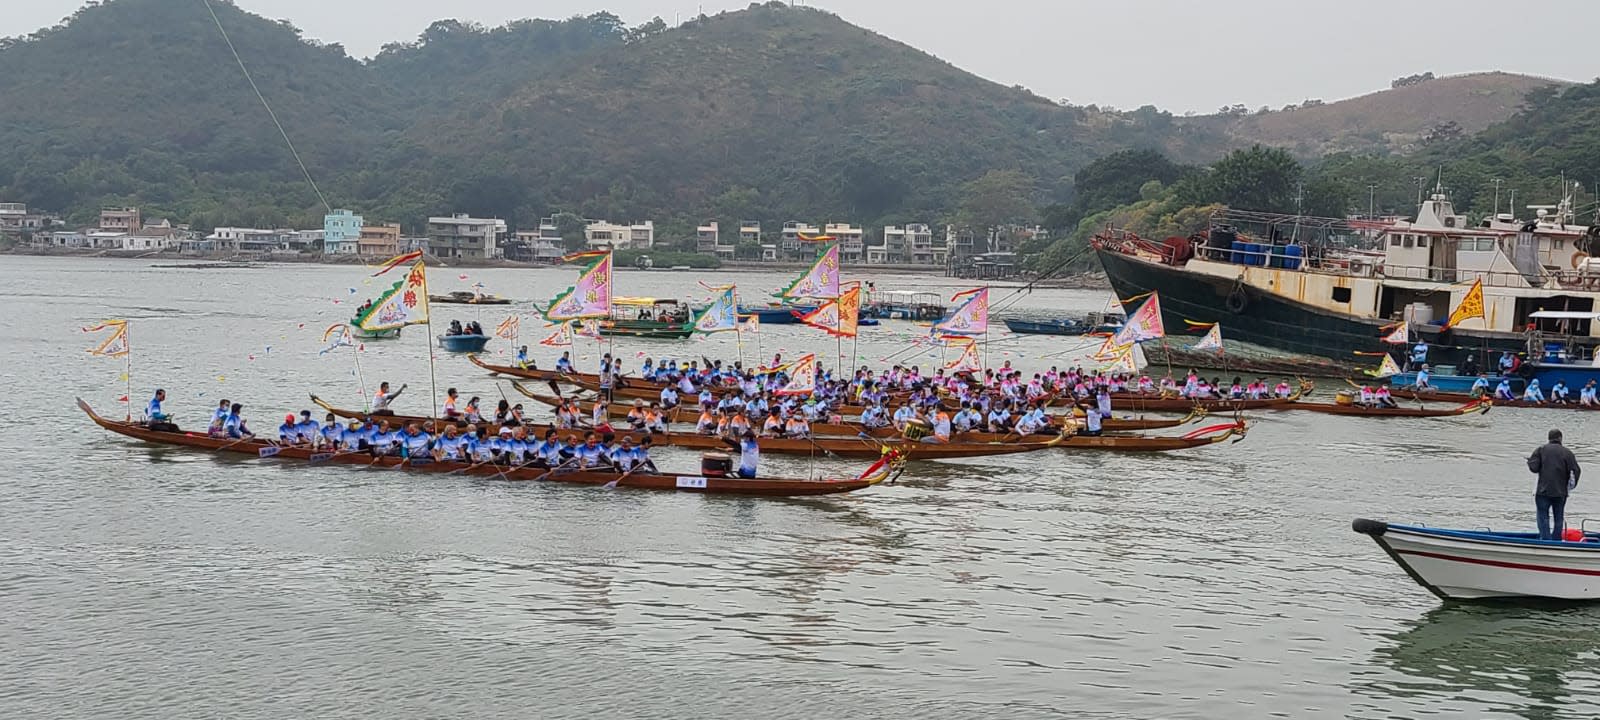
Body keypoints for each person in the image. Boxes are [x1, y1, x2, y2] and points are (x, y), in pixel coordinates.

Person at [1528, 429, 1581, 540]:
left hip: (1543, 491)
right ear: (1560, 438)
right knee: (1559, 517)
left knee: (1543, 516)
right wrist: (1570, 487)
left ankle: (1546, 540)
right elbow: (1576, 470)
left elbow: (1534, 468)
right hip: (1561, 492)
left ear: (1549, 438)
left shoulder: (1541, 450)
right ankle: (1556, 540)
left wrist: (1530, 462)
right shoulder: (1568, 453)